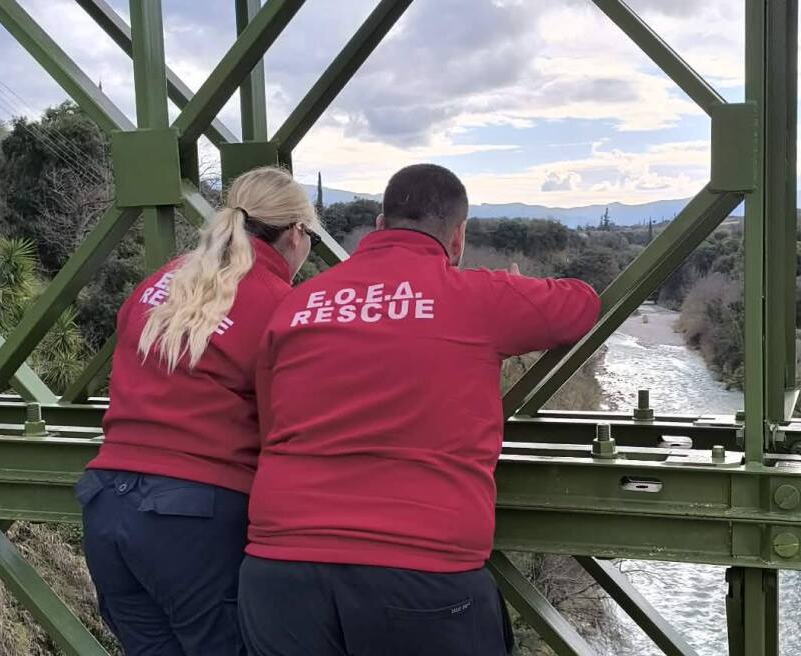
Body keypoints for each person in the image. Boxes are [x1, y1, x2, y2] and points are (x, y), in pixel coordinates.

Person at [237, 163, 601, 655]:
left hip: (279, 568)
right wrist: (516, 287)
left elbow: (269, 417)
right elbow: (581, 303)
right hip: (418, 568)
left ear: (379, 224)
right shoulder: (477, 296)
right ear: (458, 236)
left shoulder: (298, 303)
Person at [75, 166, 321, 656]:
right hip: (192, 516)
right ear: (296, 233)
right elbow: (294, 423)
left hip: (105, 502)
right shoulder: (280, 304)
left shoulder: (160, 283)